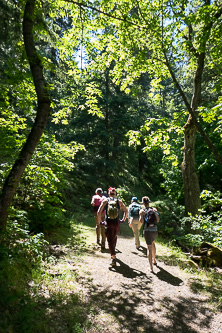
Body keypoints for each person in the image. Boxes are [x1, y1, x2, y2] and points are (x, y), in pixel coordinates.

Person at [97, 187, 128, 267]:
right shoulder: (119, 201)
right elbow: (126, 211)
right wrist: (123, 220)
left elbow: (99, 212)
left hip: (109, 222)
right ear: (116, 194)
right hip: (117, 222)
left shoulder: (105, 201)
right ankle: (113, 249)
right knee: (114, 236)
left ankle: (113, 257)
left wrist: (100, 221)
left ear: (109, 194)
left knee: (110, 240)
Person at [139, 196, 160, 272]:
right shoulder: (153, 210)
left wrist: (141, 215)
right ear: (149, 202)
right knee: (153, 243)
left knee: (149, 247)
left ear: (143, 203)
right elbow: (157, 220)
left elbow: (141, 222)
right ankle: (154, 260)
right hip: (155, 230)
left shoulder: (142, 210)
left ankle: (151, 267)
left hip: (147, 230)